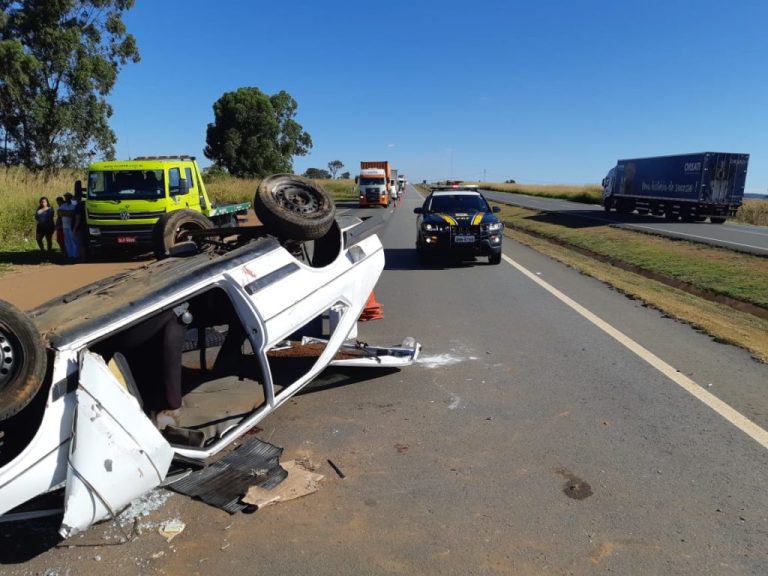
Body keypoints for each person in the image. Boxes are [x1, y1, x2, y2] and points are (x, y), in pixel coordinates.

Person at [59, 192, 79, 263]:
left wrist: (66, 213)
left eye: (68, 197)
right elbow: (61, 213)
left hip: (72, 225)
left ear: (70, 197)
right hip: (65, 226)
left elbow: (72, 214)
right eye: (65, 197)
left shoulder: (74, 205)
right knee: (67, 241)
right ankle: (70, 255)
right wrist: (68, 213)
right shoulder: (63, 205)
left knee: (73, 240)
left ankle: (75, 255)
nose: (66, 198)